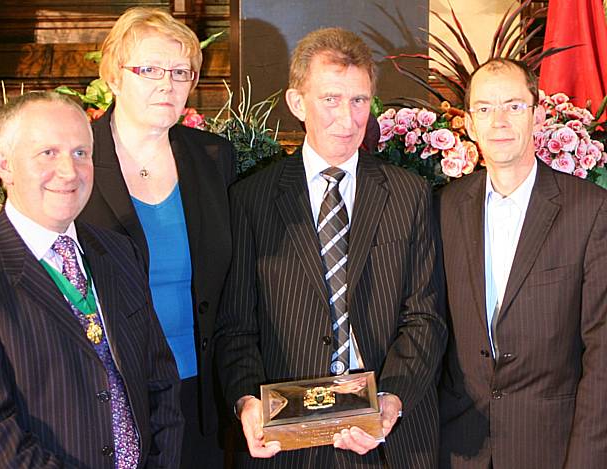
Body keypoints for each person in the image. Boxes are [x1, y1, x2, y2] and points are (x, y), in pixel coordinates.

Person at [215, 27, 446, 468]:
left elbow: (426, 316)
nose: (348, 118)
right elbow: (237, 327)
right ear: (297, 103)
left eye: (359, 100)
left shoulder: (409, 193)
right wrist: (247, 401)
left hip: (389, 442)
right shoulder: (251, 199)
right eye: (331, 99)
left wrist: (391, 399)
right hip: (287, 446)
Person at [0, 91, 183, 468]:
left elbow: (160, 381)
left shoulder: (117, 252)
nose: (69, 172)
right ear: (4, 164)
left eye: (81, 153)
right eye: (48, 153)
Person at [77, 7, 236, 466]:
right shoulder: (78, 156)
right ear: (115, 76)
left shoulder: (213, 158)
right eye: (148, 69)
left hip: (197, 389)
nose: (166, 83)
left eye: (180, 71)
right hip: (105, 392)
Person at [437, 58, 607, 468]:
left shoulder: (590, 210)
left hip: (551, 447)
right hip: (459, 448)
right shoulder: (443, 207)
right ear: (470, 124)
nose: (499, 121)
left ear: (539, 115)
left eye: (514, 106)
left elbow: (603, 355)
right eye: (484, 108)